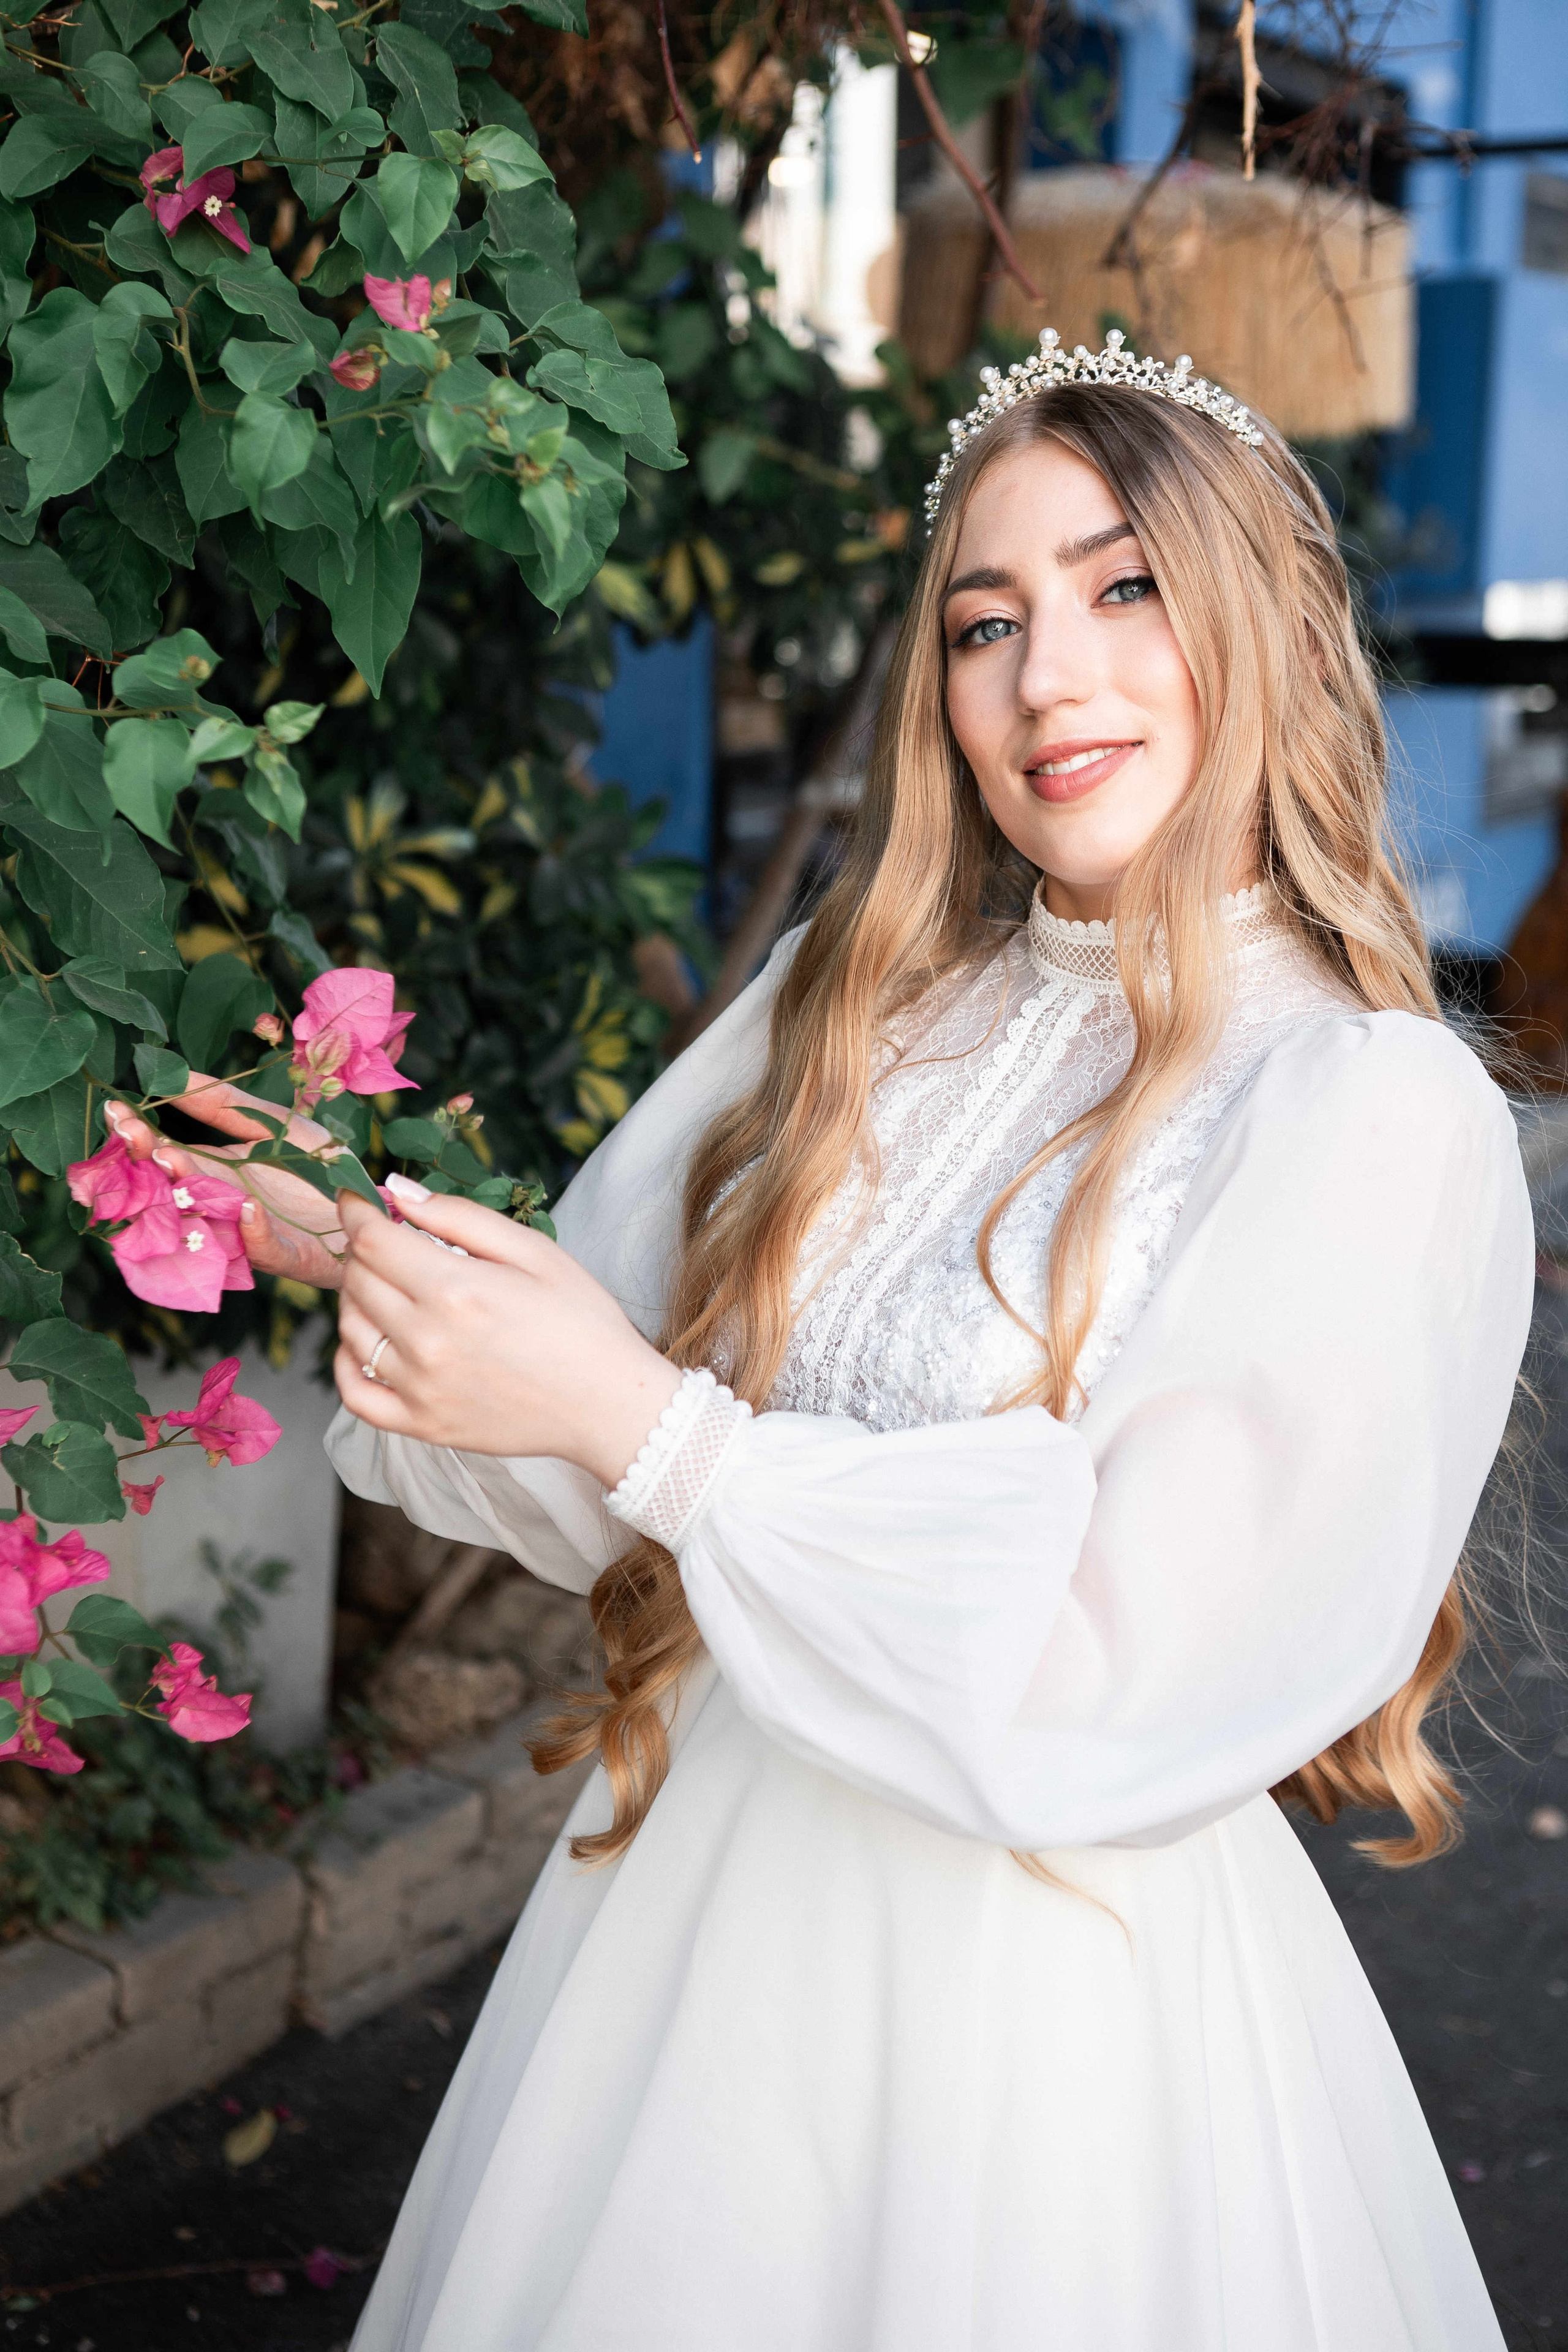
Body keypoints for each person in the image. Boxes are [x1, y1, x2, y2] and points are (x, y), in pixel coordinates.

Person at [113, 333, 1533, 2350]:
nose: (1050, 676)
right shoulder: (844, 1006)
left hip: (1050, 2029)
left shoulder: (1367, 1108)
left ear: (1272, 627)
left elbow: (1111, 1676)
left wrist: (653, 1431)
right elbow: (582, 1433)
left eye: (1125, 588)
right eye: (986, 620)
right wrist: (364, 1247)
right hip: (692, 1939)